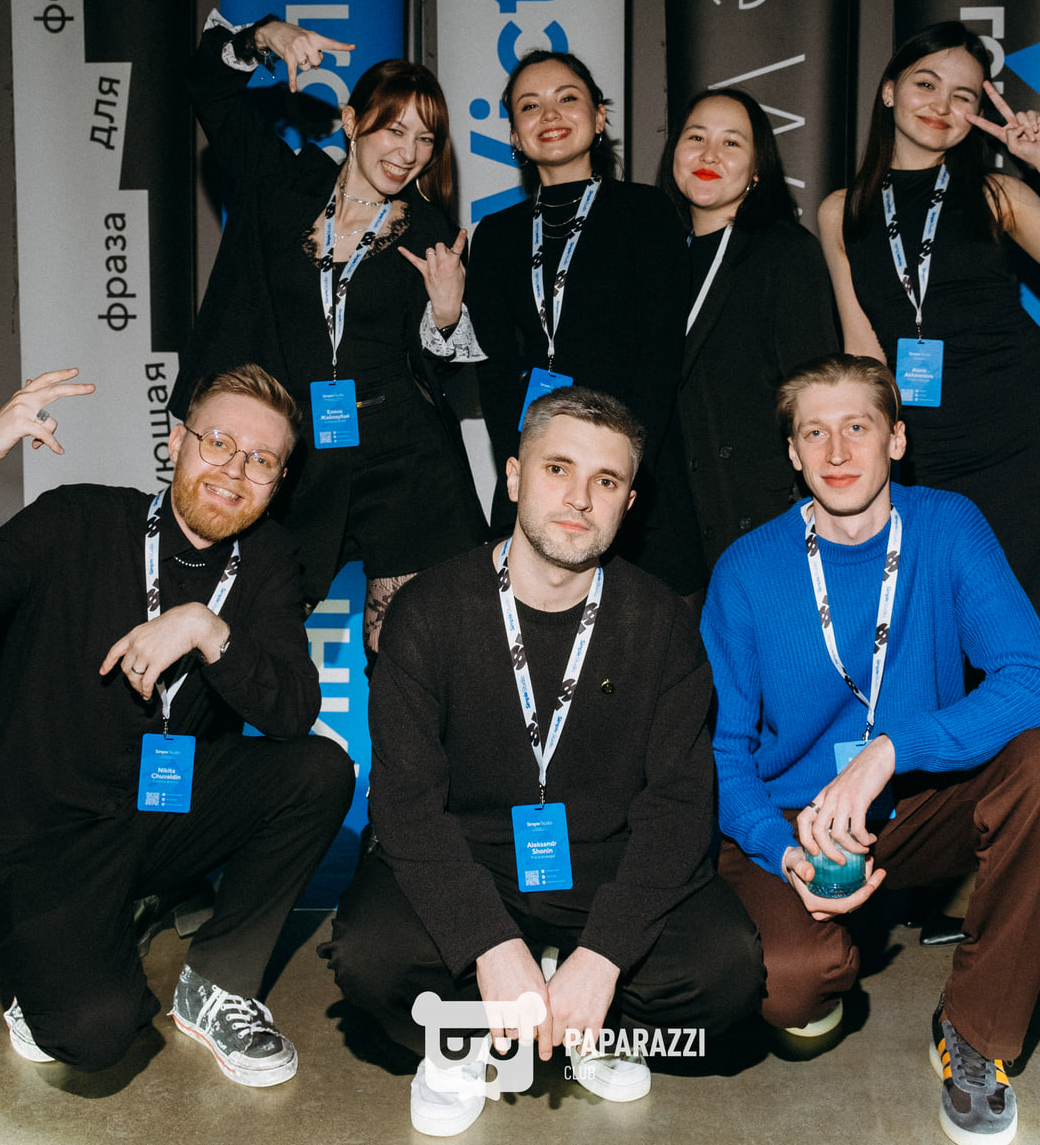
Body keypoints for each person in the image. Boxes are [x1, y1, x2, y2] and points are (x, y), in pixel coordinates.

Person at [320, 387, 762, 1137]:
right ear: (515, 477)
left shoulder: (662, 623)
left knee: (728, 972)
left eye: (606, 480)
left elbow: (681, 807)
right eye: (558, 469)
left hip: (605, 863)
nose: (580, 498)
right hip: (469, 855)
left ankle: (587, 1013)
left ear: (629, 503)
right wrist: (487, 944)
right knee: (370, 956)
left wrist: (606, 954)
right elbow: (405, 805)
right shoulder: (428, 611)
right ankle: (466, 1038)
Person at [702, 354, 1040, 1145]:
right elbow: (722, 749)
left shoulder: (948, 526)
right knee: (793, 988)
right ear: (792, 453)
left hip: (917, 804)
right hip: (795, 820)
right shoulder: (747, 569)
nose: (837, 451)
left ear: (896, 438)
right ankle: (829, 949)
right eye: (813, 433)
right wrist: (777, 850)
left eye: (858, 426)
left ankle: (975, 1030)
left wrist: (894, 747)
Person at [0, 365, 355, 1086]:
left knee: (320, 770)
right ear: (176, 441)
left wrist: (209, 630)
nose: (234, 470)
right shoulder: (76, 519)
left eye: (261, 460)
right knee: (95, 1032)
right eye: (218, 442)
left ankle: (218, 985)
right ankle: (46, 956)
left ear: (277, 482)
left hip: (155, 819)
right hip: (41, 839)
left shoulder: (267, 559)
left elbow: (293, 710)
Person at [817, 20, 1040, 771]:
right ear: (888, 91)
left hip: (1028, 433)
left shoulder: (996, 192)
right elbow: (863, 344)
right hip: (924, 441)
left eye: (963, 96)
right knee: (935, 617)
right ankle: (957, 793)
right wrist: (870, 441)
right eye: (925, 84)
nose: (941, 105)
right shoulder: (841, 211)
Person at [171, 11, 487, 650]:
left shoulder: (431, 231)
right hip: (290, 450)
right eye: (393, 129)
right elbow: (208, 88)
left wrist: (447, 316)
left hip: (403, 456)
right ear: (350, 121)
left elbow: (439, 367)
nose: (408, 153)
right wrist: (266, 35)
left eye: (425, 139)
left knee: (406, 653)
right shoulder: (279, 183)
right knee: (231, 634)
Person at [464, 50, 703, 595]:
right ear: (515, 135)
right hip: (540, 473)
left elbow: (661, 359)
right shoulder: (495, 235)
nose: (549, 114)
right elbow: (495, 371)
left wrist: (621, 471)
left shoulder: (646, 212)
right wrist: (523, 466)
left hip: (633, 471)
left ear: (599, 118)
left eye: (566, 98)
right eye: (530, 105)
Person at [658, 87, 837, 570]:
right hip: (674, 521)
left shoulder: (786, 251)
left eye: (731, 142)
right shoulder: (656, 255)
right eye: (696, 137)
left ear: (758, 168)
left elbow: (816, 393)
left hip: (760, 513)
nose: (709, 155)